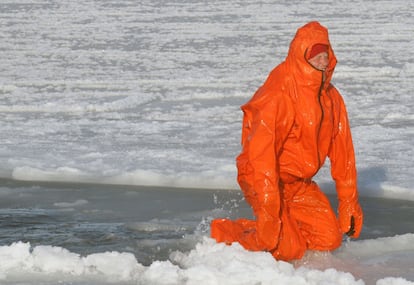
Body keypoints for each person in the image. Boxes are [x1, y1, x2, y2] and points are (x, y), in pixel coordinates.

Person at [210, 21, 363, 261]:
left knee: (328, 238)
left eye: (326, 54)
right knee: (286, 249)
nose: (323, 61)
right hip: (262, 176)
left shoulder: (331, 98)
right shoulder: (280, 92)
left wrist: (349, 203)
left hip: (298, 184)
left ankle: (281, 229)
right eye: (316, 55)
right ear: (301, 55)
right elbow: (261, 155)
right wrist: (270, 208)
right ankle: (228, 232)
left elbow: (344, 154)